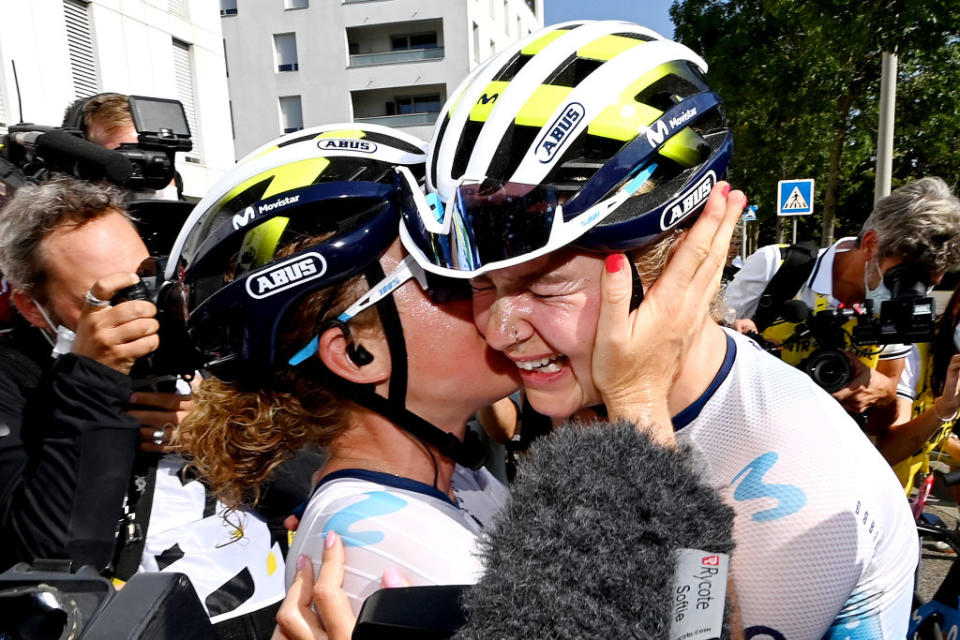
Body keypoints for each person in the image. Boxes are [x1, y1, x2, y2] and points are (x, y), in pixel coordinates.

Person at [398, 20, 918, 639]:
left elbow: (688, 631)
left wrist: (637, 405)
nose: (498, 327)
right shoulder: (582, 390)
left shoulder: (805, 483)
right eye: (479, 284)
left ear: (682, 259)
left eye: (545, 286)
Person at [170, 124, 519, 616]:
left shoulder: (449, 479)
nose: (492, 283)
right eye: (444, 270)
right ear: (357, 353)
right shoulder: (384, 549)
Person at [0, 177, 287, 636]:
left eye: (148, 279)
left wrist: (221, 435)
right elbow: (56, 561)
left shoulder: (210, 335)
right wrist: (94, 378)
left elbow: (318, 472)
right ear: (33, 308)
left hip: (269, 610)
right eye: (107, 300)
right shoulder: (11, 380)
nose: (142, 307)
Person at [725, 177, 960, 418]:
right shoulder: (776, 267)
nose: (912, 295)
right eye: (907, 280)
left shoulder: (903, 307)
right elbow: (701, 354)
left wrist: (882, 392)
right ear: (870, 244)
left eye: (928, 285)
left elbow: (888, 413)